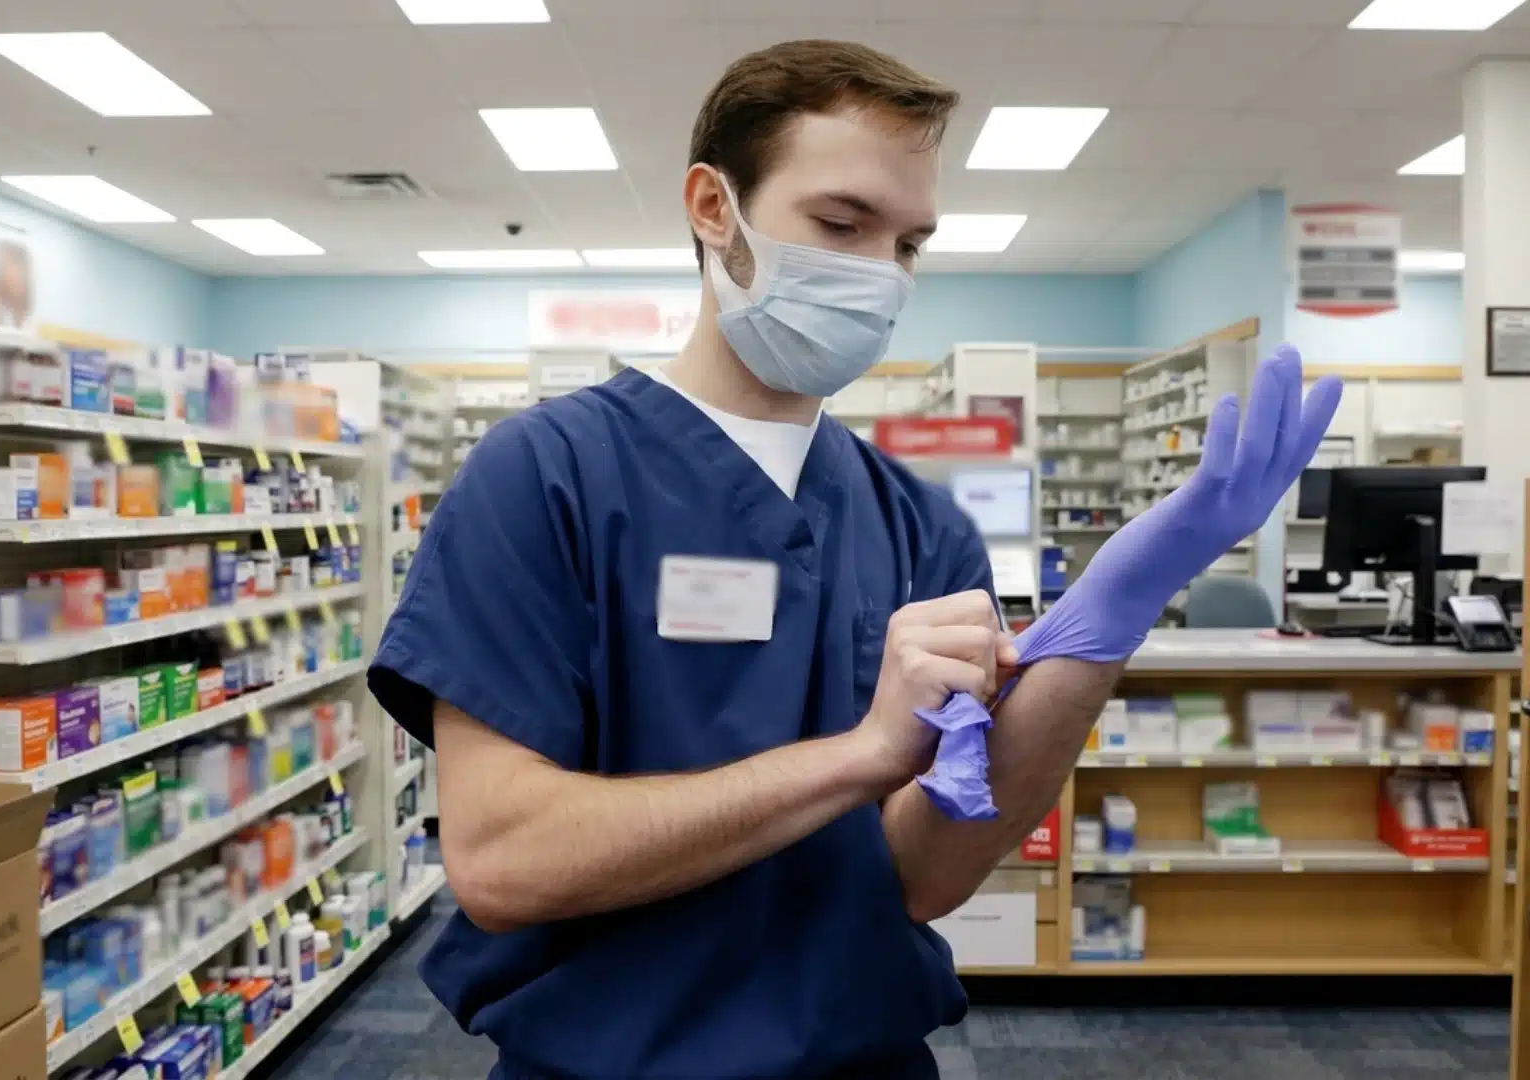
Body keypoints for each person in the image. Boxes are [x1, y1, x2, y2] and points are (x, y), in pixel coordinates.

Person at [369, 39, 1340, 1080]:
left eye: (909, 243)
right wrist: (863, 756)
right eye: (840, 225)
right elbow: (502, 862)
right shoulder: (547, 475)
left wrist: (1104, 633)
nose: (879, 273)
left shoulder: (918, 525)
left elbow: (925, 877)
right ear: (712, 208)